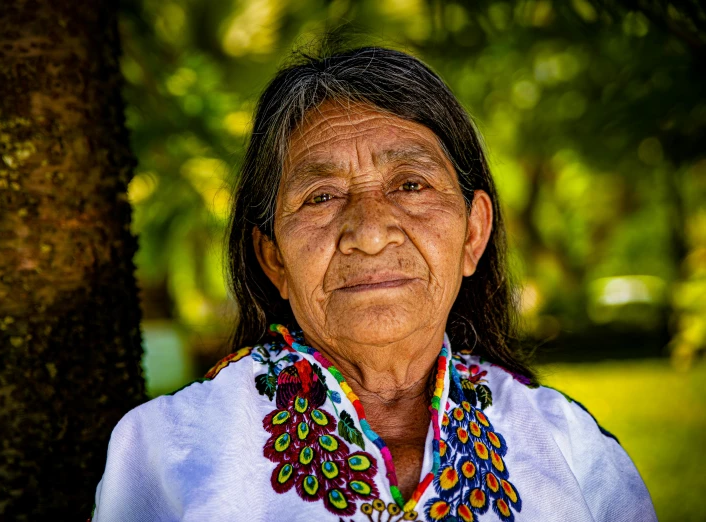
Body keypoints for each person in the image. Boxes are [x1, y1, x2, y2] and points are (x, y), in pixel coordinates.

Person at [91, 46, 656, 522]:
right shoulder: (168, 450)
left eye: (410, 185)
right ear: (274, 259)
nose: (369, 232)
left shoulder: (568, 443)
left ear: (473, 234)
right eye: (321, 195)